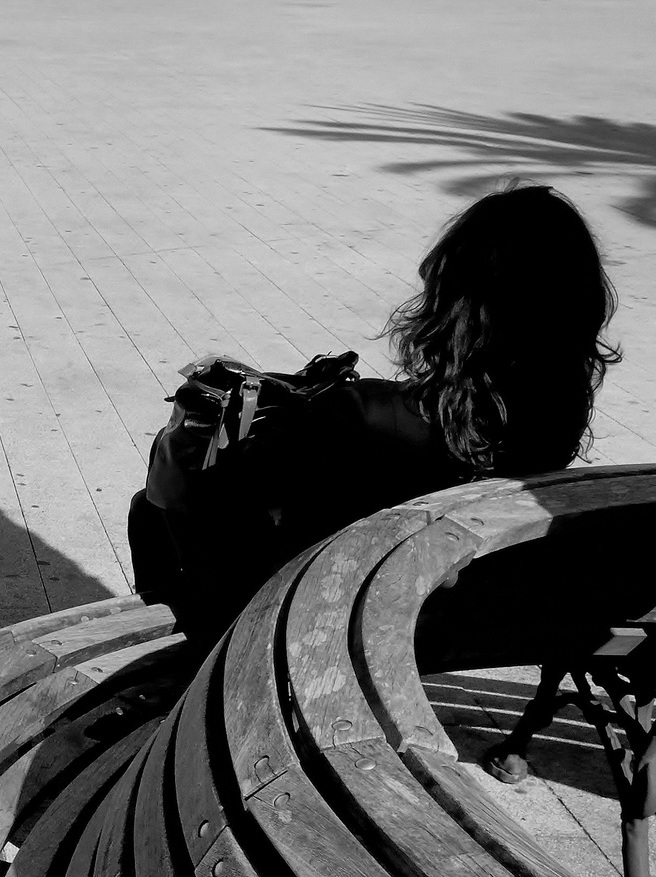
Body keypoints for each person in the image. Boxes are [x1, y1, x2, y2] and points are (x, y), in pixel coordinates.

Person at [132, 182, 621, 648]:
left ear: (454, 305)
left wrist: (192, 431)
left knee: (156, 502)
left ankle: (194, 672)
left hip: (315, 612)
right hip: (455, 601)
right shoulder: (559, 410)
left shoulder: (369, 415)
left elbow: (237, 499)